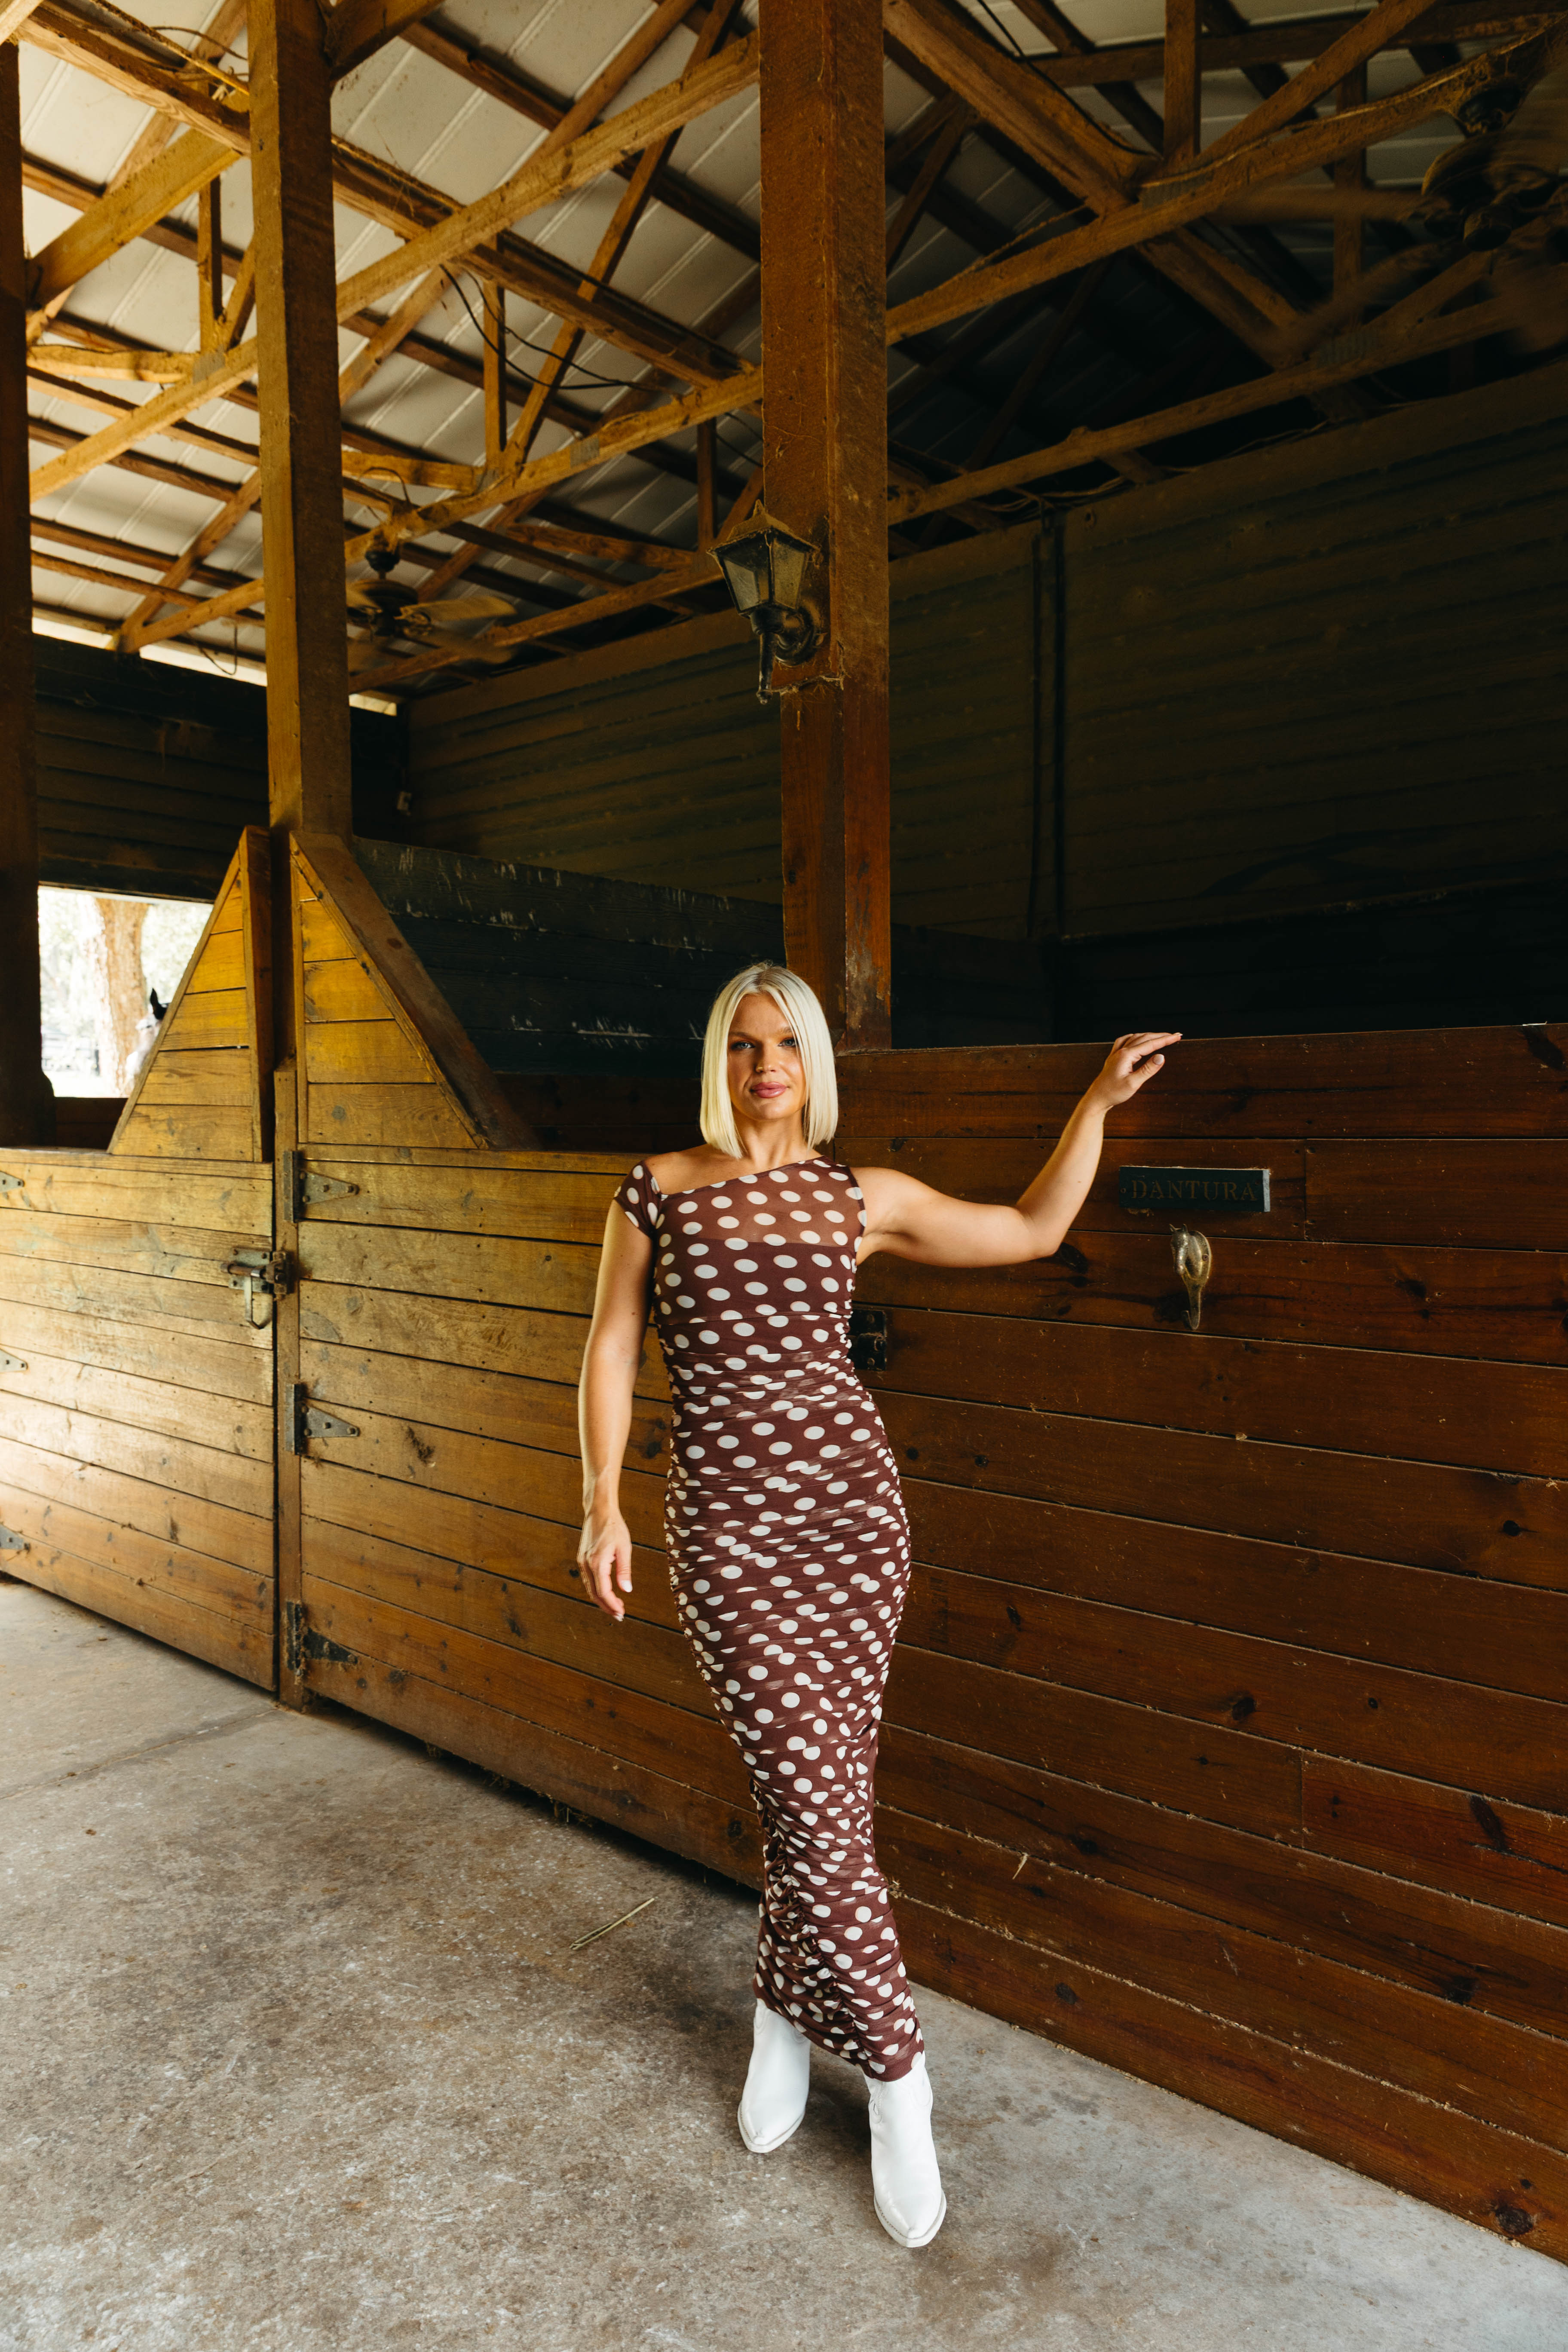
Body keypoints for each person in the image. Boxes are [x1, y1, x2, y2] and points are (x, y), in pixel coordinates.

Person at [577, 964, 1177, 2248]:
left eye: (786, 1043)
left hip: (854, 1527)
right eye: (744, 1045)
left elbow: (1031, 1231)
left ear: (814, 1063)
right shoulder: (657, 1189)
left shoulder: (861, 1196)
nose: (765, 1066)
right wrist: (600, 1501)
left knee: (824, 1803)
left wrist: (1093, 1105)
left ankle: (781, 2017)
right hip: (728, 1533)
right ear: (717, 1061)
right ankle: (902, 2079)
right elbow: (613, 1344)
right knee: (810, 1794)